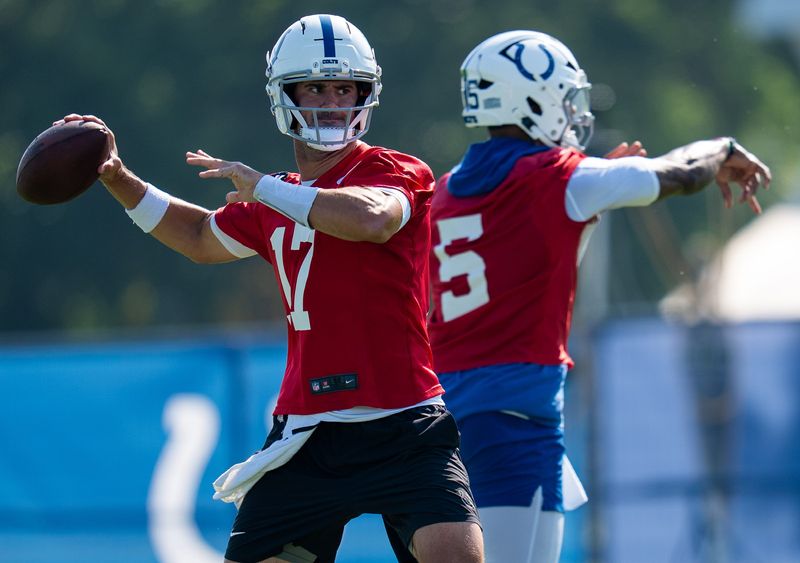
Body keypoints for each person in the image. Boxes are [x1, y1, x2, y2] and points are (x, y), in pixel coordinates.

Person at [57, 14, 483, 563]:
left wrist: (261, 188)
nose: (332, 101)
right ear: (286, 95)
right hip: (307, 436)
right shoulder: (275, 199)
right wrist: (118, 178)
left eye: (344, 88)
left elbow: (371, 220)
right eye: (315, 87)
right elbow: (197, 235)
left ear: (365, 95)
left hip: (405, 425)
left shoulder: (393, 170)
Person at [427, 30, 770, 563]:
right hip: (510, 415)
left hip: (458, 411)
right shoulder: (555, 177)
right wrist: (721, 148)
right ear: (532, 99)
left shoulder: (447, 189)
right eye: (565, 97)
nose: (572, 113)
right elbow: (680, 172)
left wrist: (586, 199)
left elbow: (519, 265)